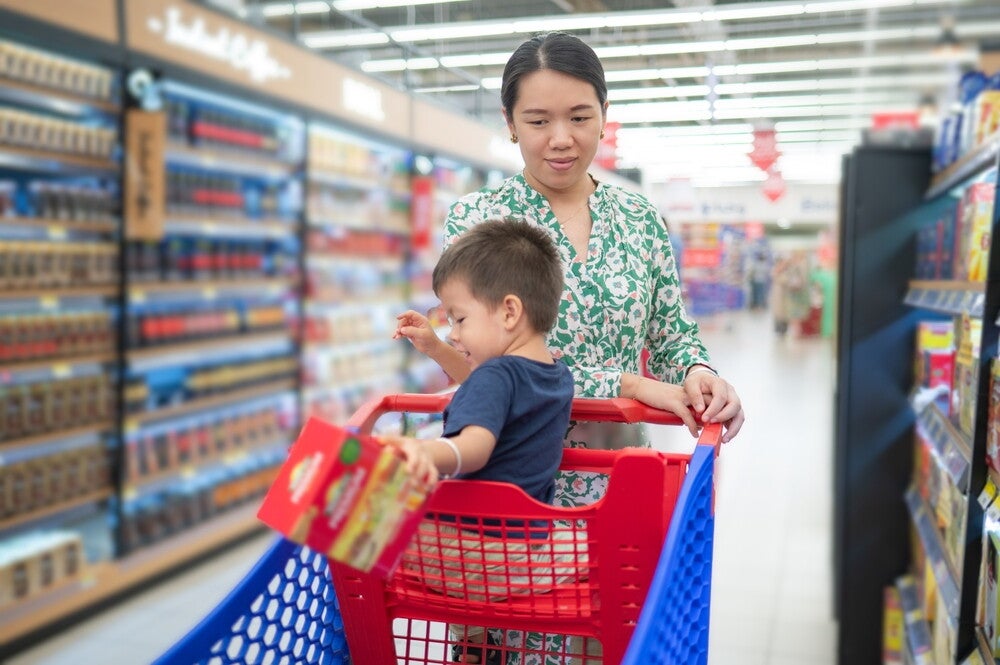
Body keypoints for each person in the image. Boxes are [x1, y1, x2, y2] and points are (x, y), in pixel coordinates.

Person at [396, 31, 744, 662]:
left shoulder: (639, 220)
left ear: (605, 117)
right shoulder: (478, 219)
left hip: (615, 489)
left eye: (581, 117)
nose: (562, 138)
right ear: (509, 124)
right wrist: (632, 386)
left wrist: (696, 372)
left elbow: (669, 329)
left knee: (604, 641)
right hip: (508, 492)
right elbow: (489, 362)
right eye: (538, 120)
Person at [390, 218, 575, 665]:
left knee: (361, 527)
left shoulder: (496, 375)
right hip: (525, 552)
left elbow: (475, 445)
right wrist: (436, 347)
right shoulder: (554, 375)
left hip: (475, 553)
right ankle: (477, 646)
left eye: (459, 317)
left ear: (509, 312)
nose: (453, 331)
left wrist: (425, 452)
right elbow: (492, 394)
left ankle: (470, 644)